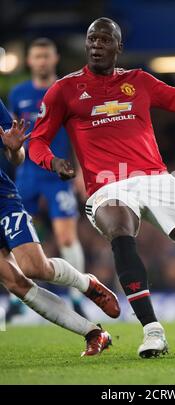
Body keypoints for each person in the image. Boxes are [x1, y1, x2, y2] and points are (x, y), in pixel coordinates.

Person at [29, 17, 175, 357]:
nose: (96, 44)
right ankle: (153, 331)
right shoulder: (64, 90)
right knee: (120, 229)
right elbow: (37, 142)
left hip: (154, 177)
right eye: (92, 39)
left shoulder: (138, 81)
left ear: (118, 47)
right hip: (108, 184)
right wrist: (54, 163)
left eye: (104, 39)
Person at [0, 98, 120, 357]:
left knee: (33, 267)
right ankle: (93, 333)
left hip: (2, 200)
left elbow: (17, 155)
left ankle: (86, 283)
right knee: (14, 283)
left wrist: (13, 150)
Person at [7, 38, 86, 318]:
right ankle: (19, 298)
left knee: (66, 237)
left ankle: (78, 296)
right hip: (27, 173)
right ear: (30, 61)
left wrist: (82, 173)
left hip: (58, 172)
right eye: (37, 56)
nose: (41, 61)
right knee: (17, 236)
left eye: (46, 56)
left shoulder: (66, 90)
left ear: (54, 60)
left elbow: (78, 134)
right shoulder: (18, 94)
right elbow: (11, 137)